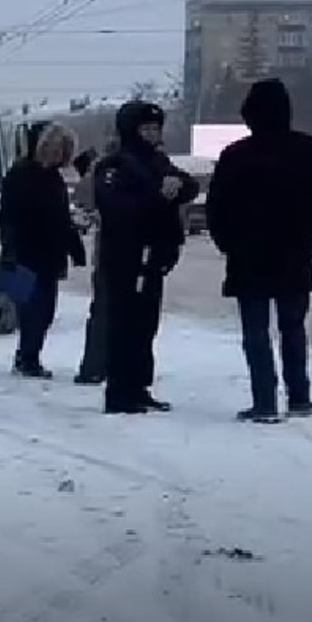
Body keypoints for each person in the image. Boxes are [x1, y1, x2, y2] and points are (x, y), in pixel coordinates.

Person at [205, 78, 312, 424]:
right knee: (293, 328)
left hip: (248, 257)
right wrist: (306, 235)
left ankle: (264, 401)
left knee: (256, 333)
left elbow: (217, 208)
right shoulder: (308, 150)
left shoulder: (235, 155)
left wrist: (229, 244)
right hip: (293, 254)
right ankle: (299, 397)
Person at [93, 101, 198, 414]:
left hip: (154, 257)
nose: (153, 134)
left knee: (146, 324)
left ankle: (139, 385)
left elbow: (189, 185)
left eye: (156, 128)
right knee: (124, 324)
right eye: (146, 128)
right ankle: (120, 390)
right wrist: (159, 195)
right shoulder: (115, 166)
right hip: (126, 256)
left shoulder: (158, 161)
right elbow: (117, 209)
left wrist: (177, 186)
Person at [0, 121, 86, 379]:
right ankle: (27, 358)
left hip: (49, 255)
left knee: (45, 311)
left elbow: (61, 218)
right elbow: (8, 216)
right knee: (31, 311)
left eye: (63, 150)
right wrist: (9, 251)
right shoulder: (20, 174)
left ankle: (29, 356)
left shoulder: (54, 179)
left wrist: (74, 247)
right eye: (55, 149)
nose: (58, 155)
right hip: (24, 253)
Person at [72, 139, 116, 386]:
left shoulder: (97, 174)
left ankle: (96, 366)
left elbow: (83, 211)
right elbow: (84, 210)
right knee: (105, 312)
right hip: (111, 255)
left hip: (108, 255)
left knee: (103, 311)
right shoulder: (101, 174)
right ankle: (97, 366)